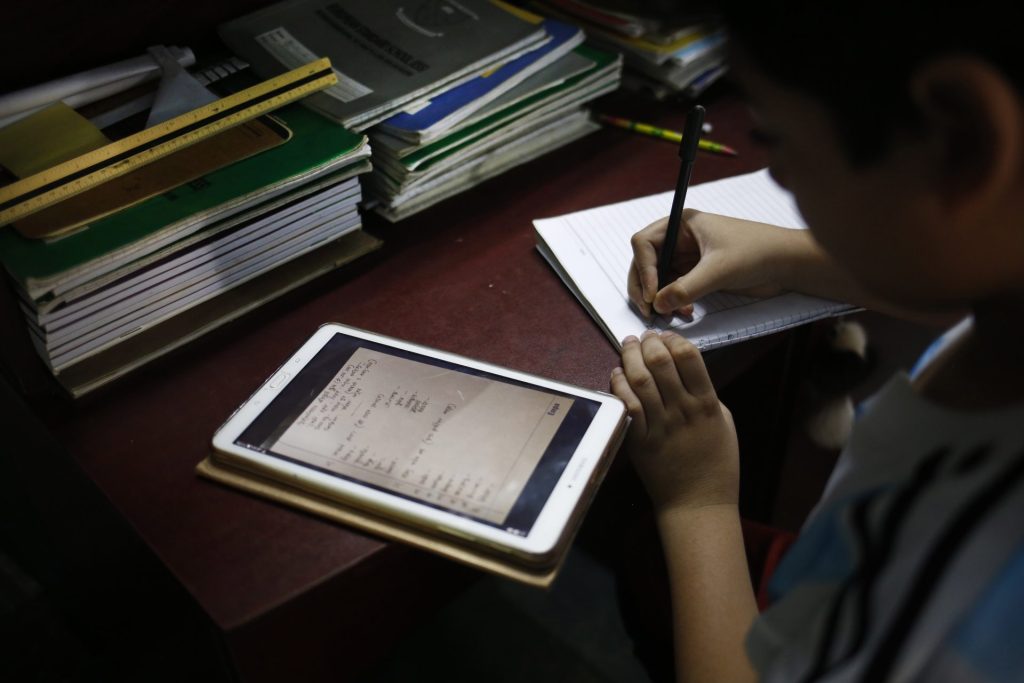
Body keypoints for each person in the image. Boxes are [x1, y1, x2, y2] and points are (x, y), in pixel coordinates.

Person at [609, 4, 1024, 682]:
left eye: (777, 138)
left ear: (960, 139)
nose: (779, 178)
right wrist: (791, 255)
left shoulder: (960, 569)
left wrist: (699, 501)